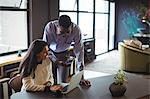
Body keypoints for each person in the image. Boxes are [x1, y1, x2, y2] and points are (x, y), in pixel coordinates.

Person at [43, 15, 91, 86]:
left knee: (64, 81)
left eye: (68, 32)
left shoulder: (76, 30)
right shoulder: (50, 28)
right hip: (50, 54)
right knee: (51, 80)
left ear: (71, 26)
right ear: (57, 26)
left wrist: (81, 76)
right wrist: (55, 60)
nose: (65, 35)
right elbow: (45, 47)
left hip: (64, 53)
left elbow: (79, 52)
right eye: (62, 32)